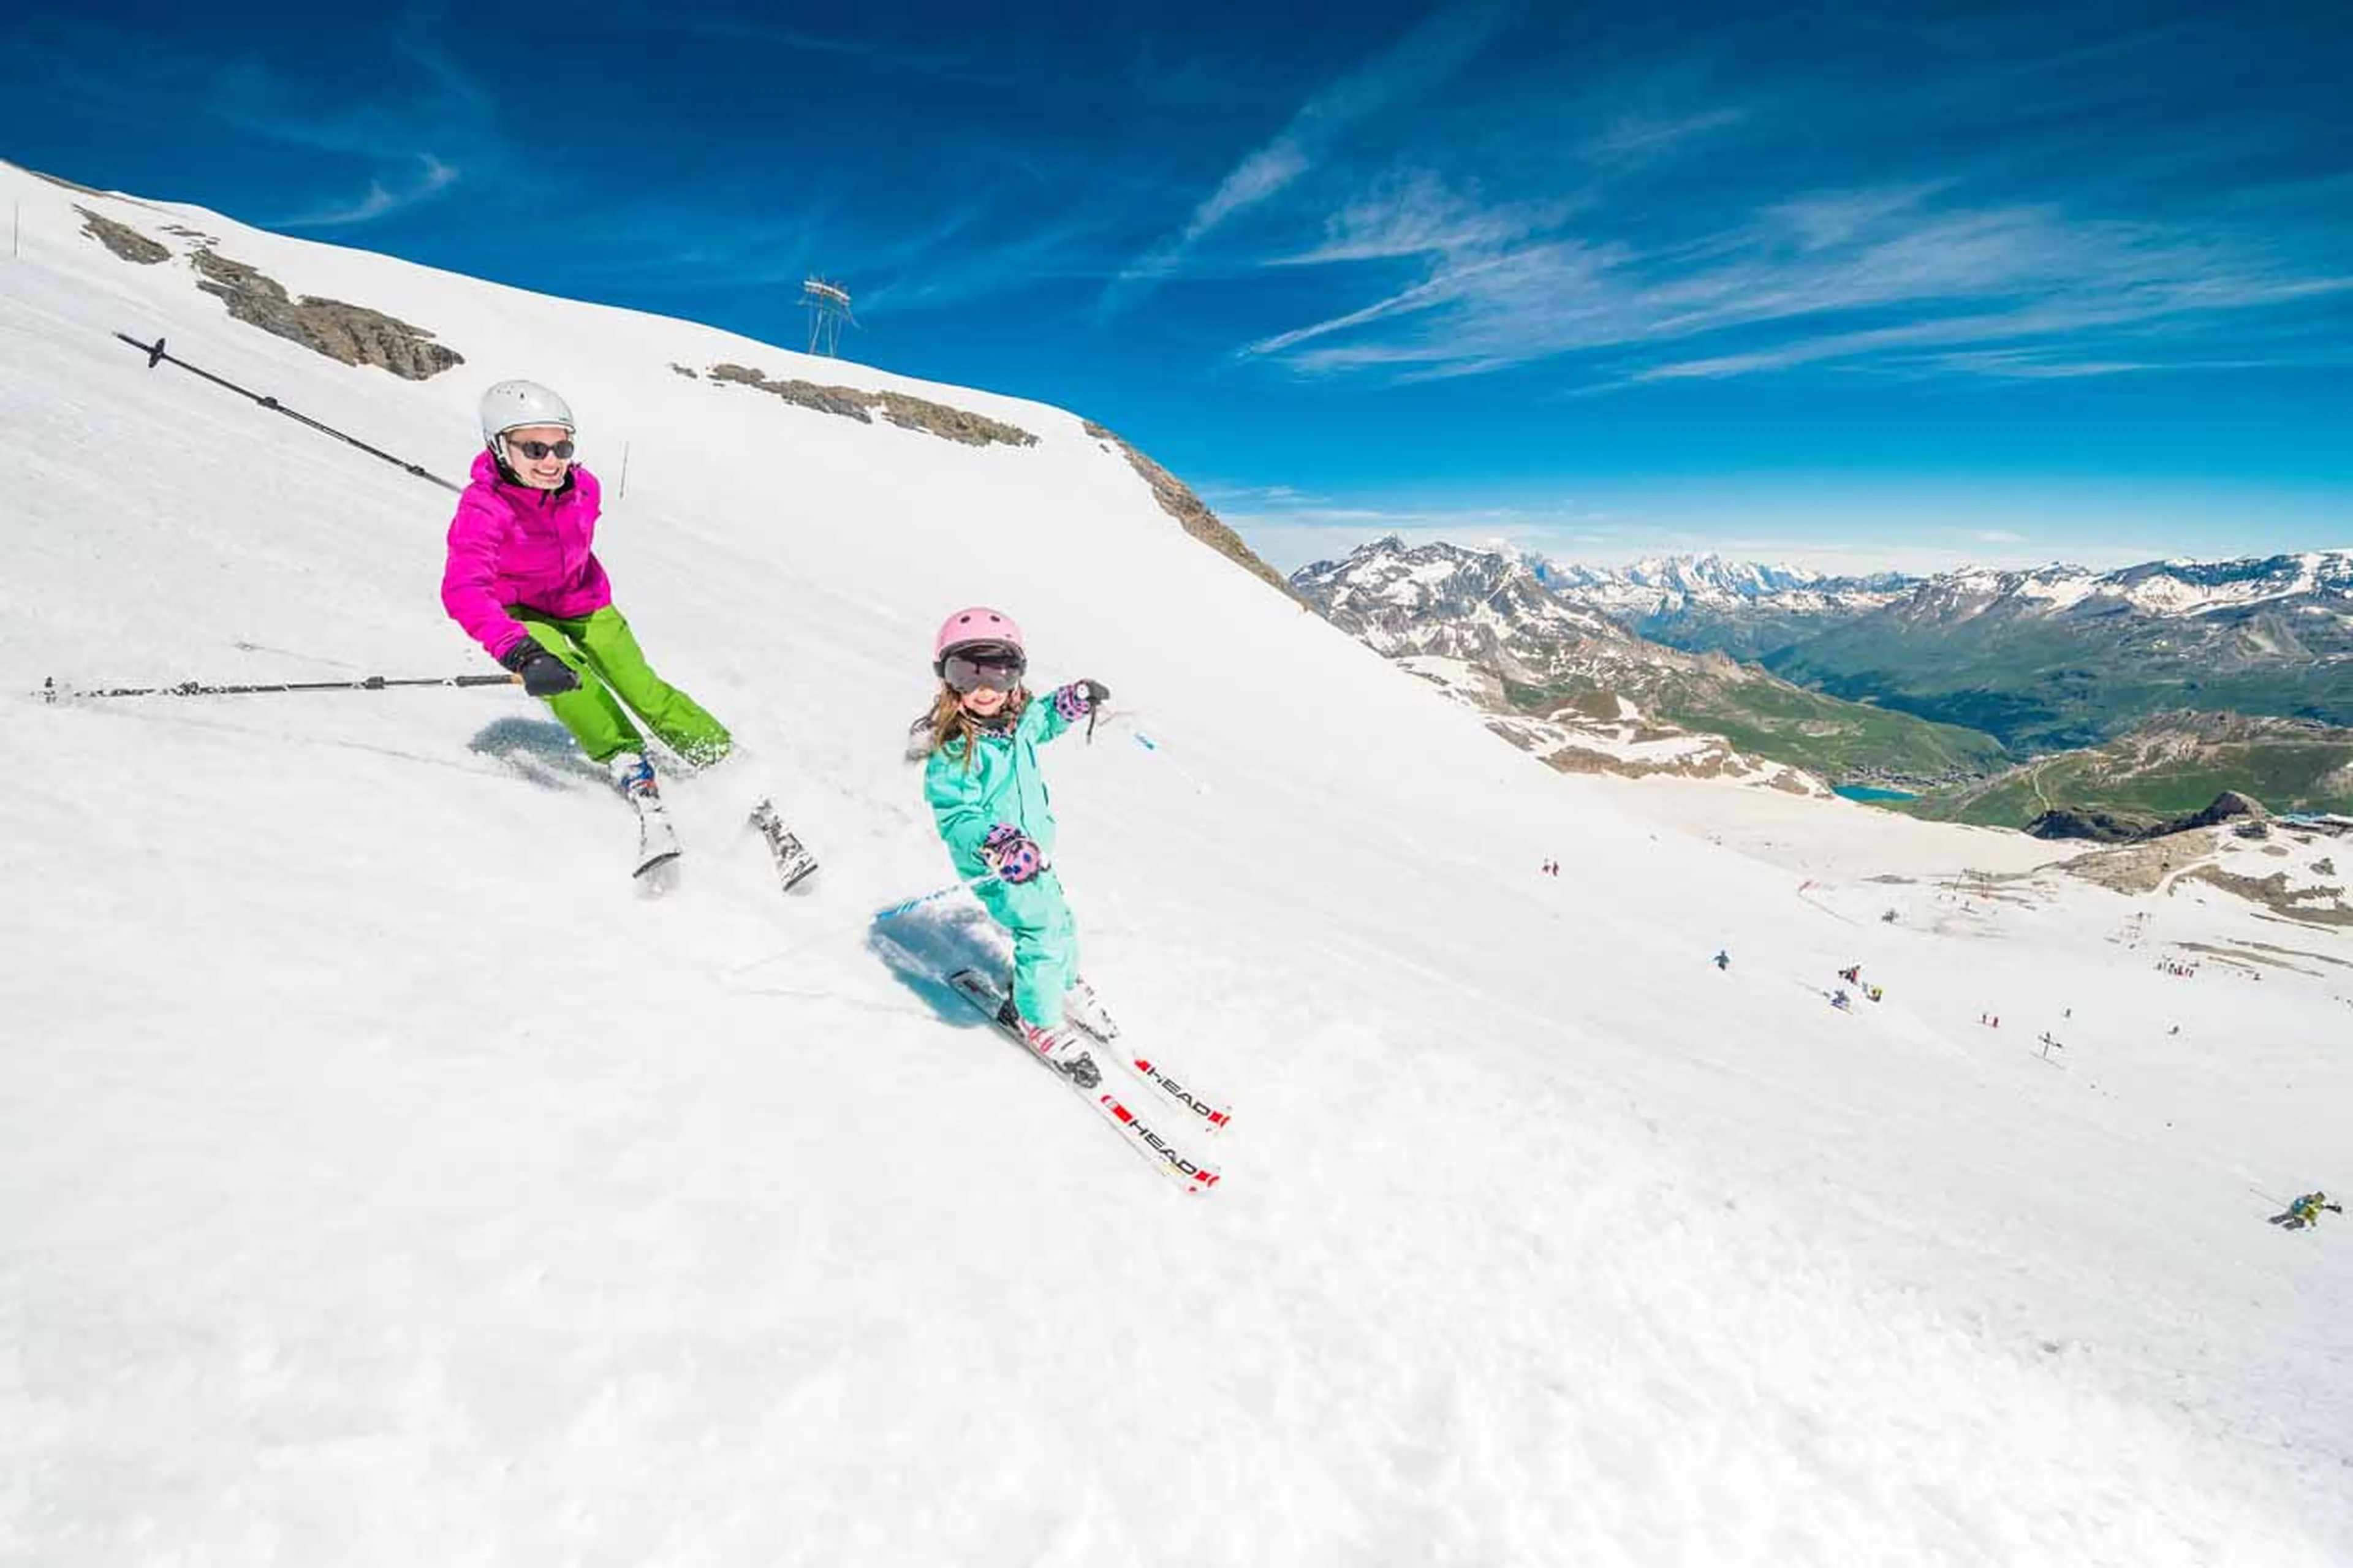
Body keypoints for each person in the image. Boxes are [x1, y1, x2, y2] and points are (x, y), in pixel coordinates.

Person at [441, 379, 731, 802]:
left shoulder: (584, 489)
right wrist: (518, 650)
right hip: (522, 611)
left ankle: (720, 755)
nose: (551, 461)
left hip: (583, 599)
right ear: (500, 446)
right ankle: (625, 756)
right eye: (535, 449)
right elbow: (463, 587)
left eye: (562, 447)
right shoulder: (483, 509)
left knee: (642, 687)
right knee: (567, 678)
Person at [921, 607, 1115, 1085]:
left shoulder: (1018, 719)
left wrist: (1070, 702)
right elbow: (957, 815)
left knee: (1060, 918)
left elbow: (1043, 720)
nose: (984, 687)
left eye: (999, 669)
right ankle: (1037, 1015)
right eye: (966, 671)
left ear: (1017, 673)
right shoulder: (954, 748)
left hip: (1034, 855)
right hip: (998, 864)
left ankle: (1062, 985)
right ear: (948, 679)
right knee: (1042, 932)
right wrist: (996, 841)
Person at [2270, 1192, 2342, 1230]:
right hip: (2296, 1210)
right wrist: (2297, 1208)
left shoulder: (2317, 1205)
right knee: (2289, 1216)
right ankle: (2275, 1221)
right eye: (2319, 1198)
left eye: (2321, 1199)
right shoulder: (2309, 1198)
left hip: (2301, 1214)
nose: (2320, 1200)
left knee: (2300, 1223)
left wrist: (2312, 1221)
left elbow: (2316, 1211)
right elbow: (2299, 1202)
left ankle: (2286, 1227)